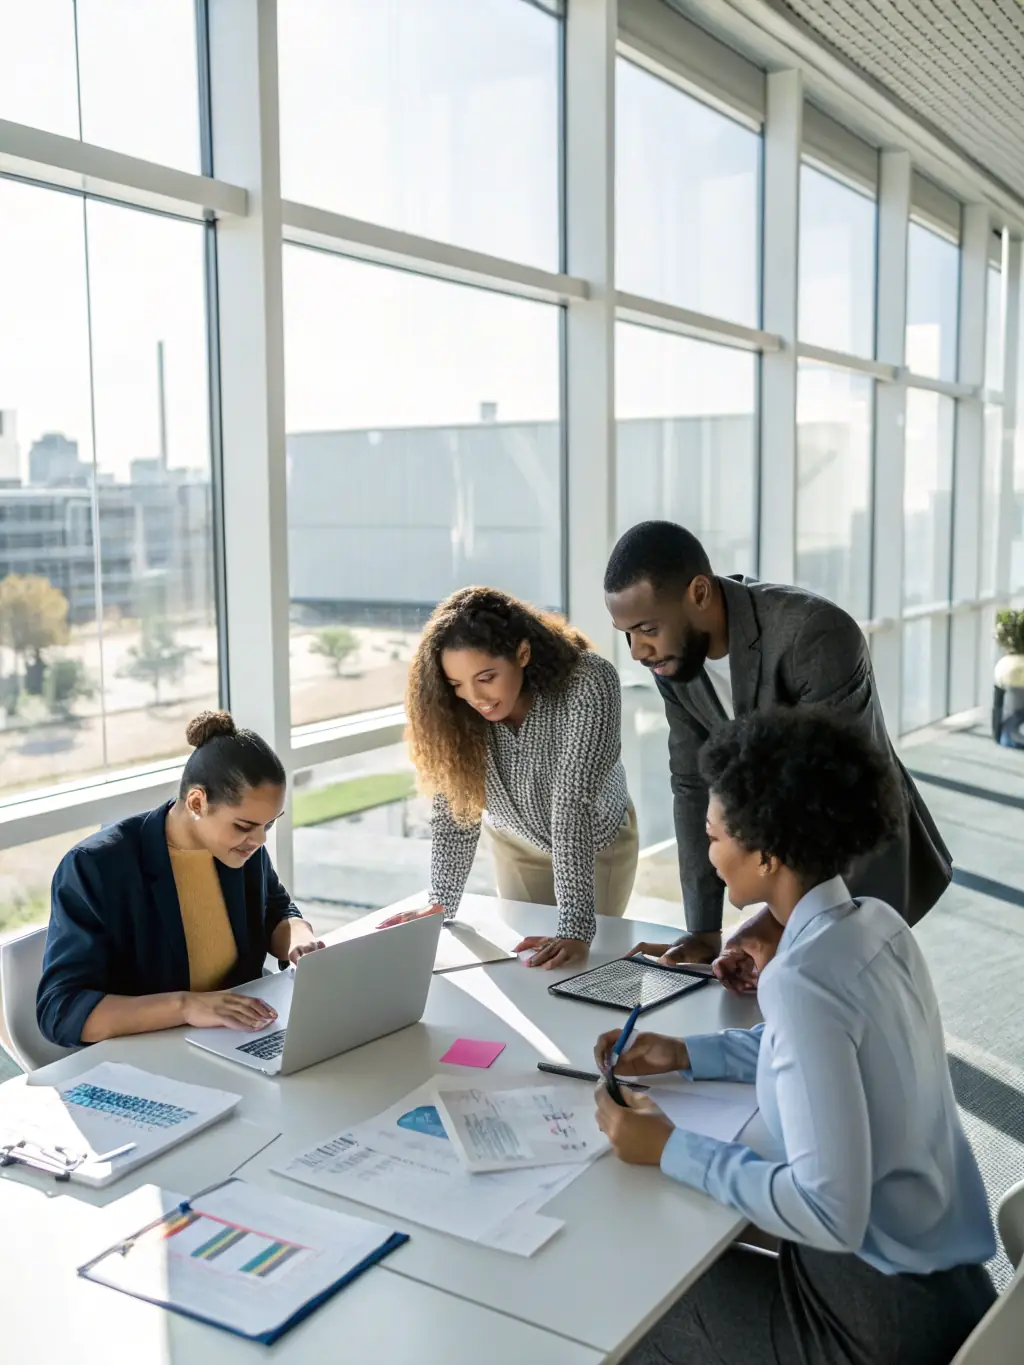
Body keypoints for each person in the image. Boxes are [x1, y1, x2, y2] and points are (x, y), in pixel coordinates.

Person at [594, 708, 995, 1365]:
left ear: (768, 854)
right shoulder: (876, 926)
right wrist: (684, 1054)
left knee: (629, 1295)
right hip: (951, 1284)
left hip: (874, 1322)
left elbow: (829, 1210)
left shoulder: (801, 980)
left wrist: (668, 1146)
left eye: (714, 835)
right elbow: (822, 1055)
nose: (709, 853)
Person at [603, 520, 951, 983]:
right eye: (626, 633)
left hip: (860, 862)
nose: (637, 650)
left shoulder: (814, 634)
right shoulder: (672, 659)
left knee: (862, 999)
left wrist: (778, 917)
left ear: (700, 593)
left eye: (646, 628)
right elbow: (692, 785)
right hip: (782, 870)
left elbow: (838, 793)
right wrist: (704, 930)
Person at [377, 586, 638, 970]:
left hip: (597, 840)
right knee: (527, 968)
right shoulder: (461, 709)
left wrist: (576, 927)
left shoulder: (589, 681)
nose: (475, 697)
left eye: (486, 677)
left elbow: (572, 803)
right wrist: (441, 902)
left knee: (585, 964)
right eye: (457, 685)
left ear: (523, 653)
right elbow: (456, 806)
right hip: (516, 844)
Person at [37, 711, 324, 1047]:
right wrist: (186, 1006)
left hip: (234, 1041)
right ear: (197, 801)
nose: (260, 841)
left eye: (269, 825)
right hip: (150, 1056)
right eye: (245, 826)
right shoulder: (95, 867)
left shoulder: (238, 846)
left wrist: (299, 940)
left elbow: (276, 910)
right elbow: (61, 1010)